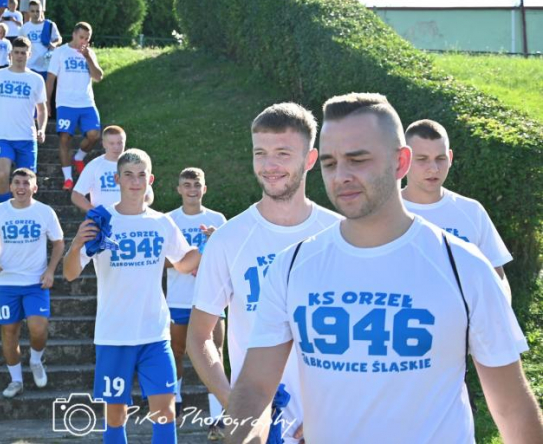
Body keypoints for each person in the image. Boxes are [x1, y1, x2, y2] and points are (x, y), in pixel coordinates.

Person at [228, 93, 542, 443]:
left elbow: (512, 408)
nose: (341, 175)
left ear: (400, 162)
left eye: (357, 159)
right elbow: (255, 388)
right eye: (330, 163)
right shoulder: (292, 266)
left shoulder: (464, 267)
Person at [188, 103, 341, 444]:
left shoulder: (341, 235)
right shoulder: (230, 238)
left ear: (311, 159)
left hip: (331, 426)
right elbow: (199, 337)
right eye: (261, 153)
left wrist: (336, 409)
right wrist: (238, 407)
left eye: (283, 153)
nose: (270, 165)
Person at [63, 148, 204, 444]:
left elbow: (184, 260)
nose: (135, 181)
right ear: (117, 179)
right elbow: (71, 273)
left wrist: (207, 249)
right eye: (128, 175)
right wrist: (76, 245)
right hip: (114, 336)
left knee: (165, 412)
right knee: (116, 417)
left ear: (150, 179)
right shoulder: (101, 222)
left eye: (141, 175)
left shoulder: (161, 222)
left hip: (155, 333)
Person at [0, 167, 65, 399]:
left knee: (39, 328)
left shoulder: (45, 212)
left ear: (35, 187)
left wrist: (50, 271)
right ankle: (16, 380)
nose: (21, 187)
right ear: (10, 186)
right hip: (6, 284)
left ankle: (35, 360)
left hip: (36, 283)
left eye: (26, 183)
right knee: (9, 332)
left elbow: (59, 243)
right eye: (17, 182)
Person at [401, 119, 513, 301]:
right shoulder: (383, 212)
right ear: (403, 160)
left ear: (450, 158)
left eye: (440, 158)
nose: (434, 168)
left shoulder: (472, 211)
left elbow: (497, 279)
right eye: (422, 159)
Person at [164, 168, 227, 440]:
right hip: (179, 298)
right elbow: (161, 261)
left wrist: (216, 242)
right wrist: (190, 261)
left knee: (215, 354)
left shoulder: (218, 220)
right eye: (186, 184)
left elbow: (229, 259)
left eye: (196, 184)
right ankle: (176, 403)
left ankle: (217, 418)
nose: (191, 189)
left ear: (205, 188)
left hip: (212, 297)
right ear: (178, 189)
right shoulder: (168, 220)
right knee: (176, 352)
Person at [0, 37, 47, 204]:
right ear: (11, 54)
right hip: (4, 136)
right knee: (3, 174)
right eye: (17, 52)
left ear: (29, 55)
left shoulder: (36, 79)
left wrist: (42, 128)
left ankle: (23, 212)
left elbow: (42, 109)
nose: (19, 56)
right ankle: (3, 209)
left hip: (27, 137)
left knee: (27, 183)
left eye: (23, 53)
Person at [46, 22, 104, 191]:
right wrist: (47, 102)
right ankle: (68, 178)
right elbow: (50, 79)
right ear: (73, 34)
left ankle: (79, 157)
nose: (83, 41)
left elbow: (98, 76)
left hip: (86, 102)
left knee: (94, 135)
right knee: (65, 138)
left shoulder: (90, 54)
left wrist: (88, 58)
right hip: (65, 103)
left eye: (87, 38)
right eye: (81, 37)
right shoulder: (60, 52)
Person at [71, 125, 153, 212]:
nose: (116, 147)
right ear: (104, 144)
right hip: (105, 221)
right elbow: (76, 195)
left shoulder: (135, 164)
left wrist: (143, 206)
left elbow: (148, 193)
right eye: (111, 143)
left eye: (119, 143)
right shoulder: (94, 166)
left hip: (131, 218)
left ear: (124, 142)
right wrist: (95, 212)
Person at [21, 0, 61, 82]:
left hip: (46, 66)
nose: (35, 14)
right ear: (29, 12)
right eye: (32, 11)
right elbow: (20, 45)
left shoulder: (50, 25)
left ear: (42, 11)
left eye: (37, 11)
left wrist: (54, 44)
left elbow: (59, 39)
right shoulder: (24, 28)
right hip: (30, 65)